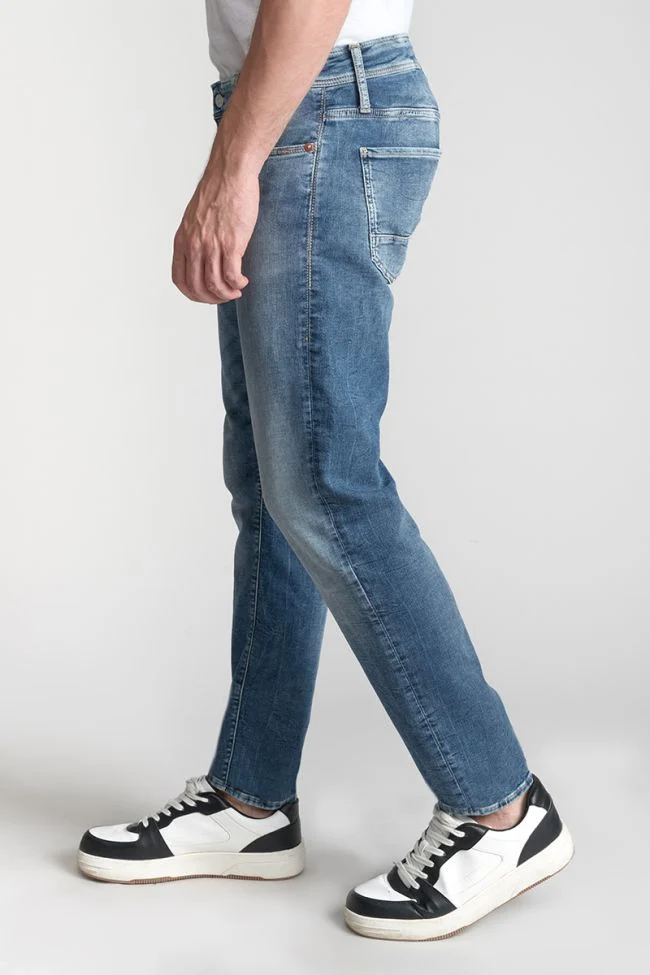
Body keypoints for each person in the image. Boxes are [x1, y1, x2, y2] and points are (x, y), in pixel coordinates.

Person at [77, 0, 573, 940]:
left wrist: (232, 168)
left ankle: (501, 807)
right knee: (273, 486)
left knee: (324, 485)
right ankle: (252, 799)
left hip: (322, 105)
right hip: (292, 106)